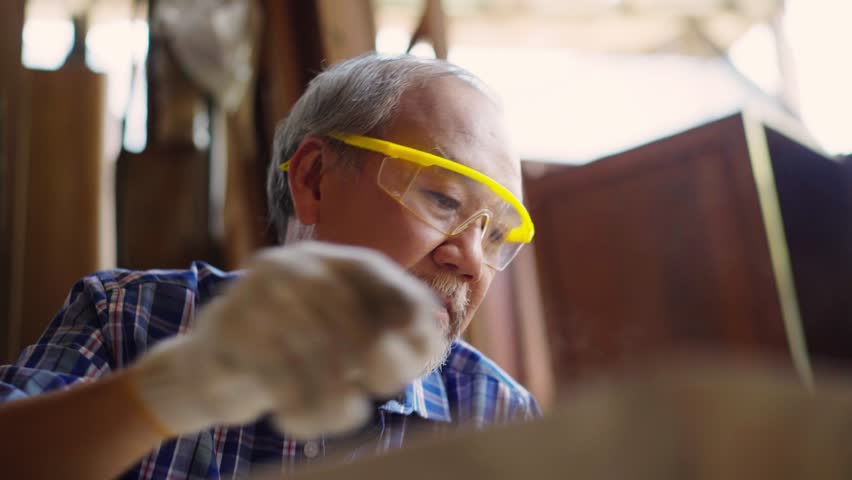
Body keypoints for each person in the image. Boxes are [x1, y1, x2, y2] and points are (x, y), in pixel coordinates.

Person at [0, 53, 540, 479]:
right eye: (444, 200)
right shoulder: (130, 319)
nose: (470, 260)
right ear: (312, 180)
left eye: (495, 236)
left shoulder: (495, 415)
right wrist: (167, 392)